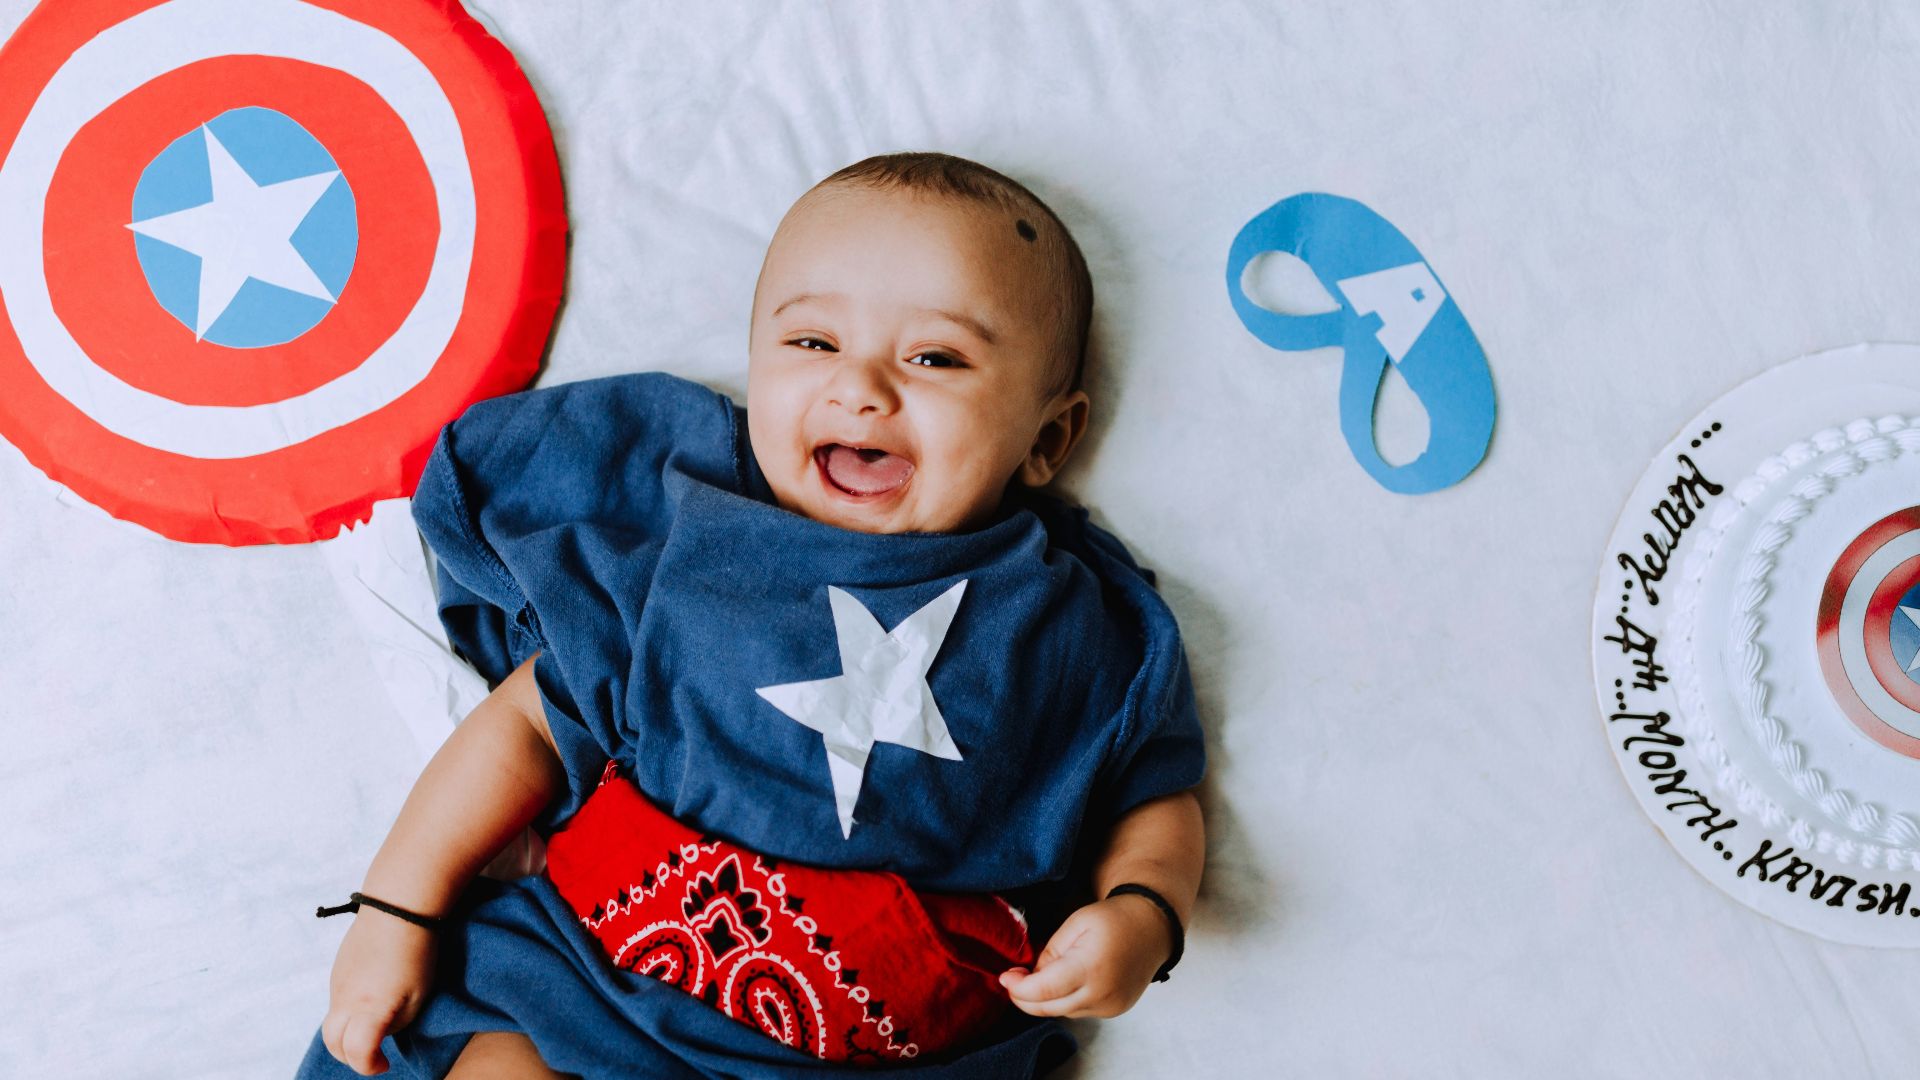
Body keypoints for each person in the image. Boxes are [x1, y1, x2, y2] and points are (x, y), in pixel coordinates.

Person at [299, 152, 1206, 1079]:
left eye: (934, 358)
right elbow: (527, 724)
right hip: (597, 983)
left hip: (883, 1051)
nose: (861, 388)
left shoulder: (1073, 620)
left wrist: (1143, 916)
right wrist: (395, 911)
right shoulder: (689, 547)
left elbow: (1155, 794)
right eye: (812, 343)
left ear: (1048, 438)